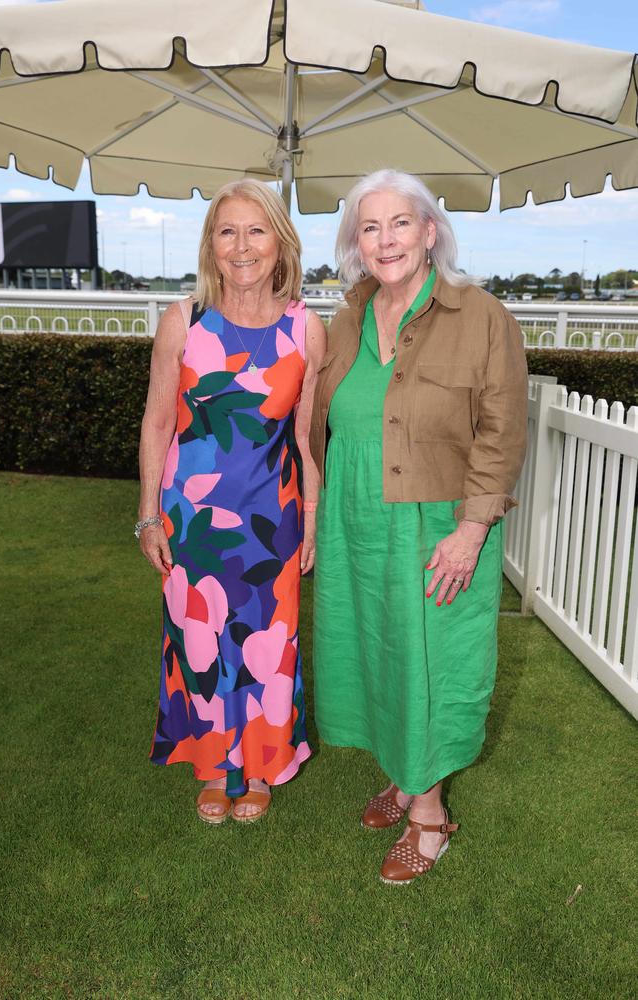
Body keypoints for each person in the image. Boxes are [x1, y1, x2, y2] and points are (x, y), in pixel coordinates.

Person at [310, 169, 527, 883]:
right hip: (357, 518)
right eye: (368, 228)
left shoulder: (481, 315)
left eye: (400, 222)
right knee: (378, 652)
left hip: (436, 524)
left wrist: (470, 531)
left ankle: (428, 813)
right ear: (355, 245)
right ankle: (405, 775)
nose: (385, 239)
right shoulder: (347, 317)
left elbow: (501, 431)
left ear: (430, 231)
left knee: (431, 663)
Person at [138, 179, 326, 824]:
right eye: (227, 231)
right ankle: (215, 767)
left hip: (273, 523)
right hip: (189, 520)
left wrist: (315, 527)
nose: (242, 246)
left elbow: (305, 439)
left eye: (256, 230)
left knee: (268, 648)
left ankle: (264, 768)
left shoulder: (306, 327)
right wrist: (146, 515)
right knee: (202, 640)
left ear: (280, 243)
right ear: (210, 246)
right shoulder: (183, 320)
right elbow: (158, 423)